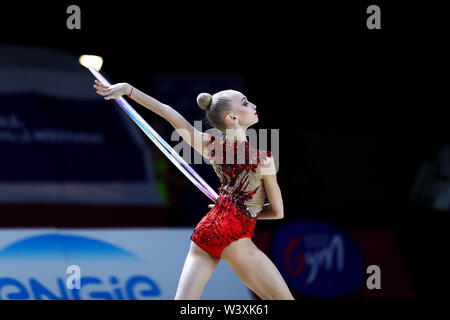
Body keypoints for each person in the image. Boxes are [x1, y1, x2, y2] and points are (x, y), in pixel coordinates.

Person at [93, 79, 294, 300]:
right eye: (246, 103)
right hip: (234, 236)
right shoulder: (263, 159)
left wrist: (127, 90)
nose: (253, 105)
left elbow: (169, 113)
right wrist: (237, 211)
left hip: (207, 230)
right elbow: (277, 212)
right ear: (233, 118)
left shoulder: (210, 145)